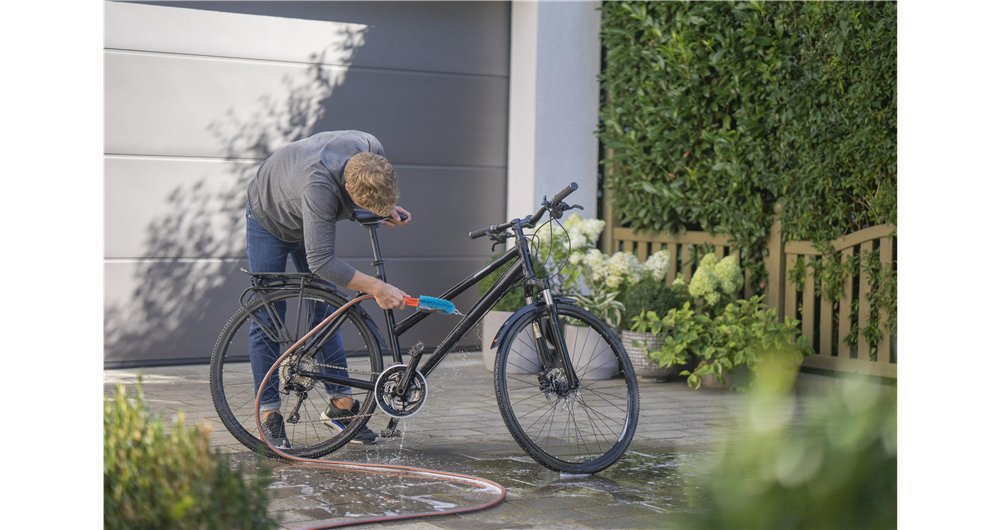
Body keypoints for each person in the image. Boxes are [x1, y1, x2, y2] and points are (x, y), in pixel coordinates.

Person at [245, 130, 411, 448]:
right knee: (268, 316)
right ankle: (269, 413)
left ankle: (341, 406)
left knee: (326, 310)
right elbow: (322, 262)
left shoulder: (371, 147)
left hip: (305, 205)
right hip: (270, 218)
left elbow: (372, 192)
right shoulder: (319, 186)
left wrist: (384, 207)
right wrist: (378, 287)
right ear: (346, 189)